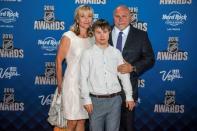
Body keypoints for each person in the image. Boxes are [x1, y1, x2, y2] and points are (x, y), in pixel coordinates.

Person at [80, 19, 135, 131]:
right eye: (98, 32)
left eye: (105, 32)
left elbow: (124, 75)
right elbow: (83, 78)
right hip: (95, 101)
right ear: (93, 33)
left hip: (115, 100)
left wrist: (129, 96)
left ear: (109, 32)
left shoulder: (116, 53)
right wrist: (86, 99)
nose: (102, 35)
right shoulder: (87, 54)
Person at [109, 5, 155, 131]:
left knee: (128, 127)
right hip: (104, 91)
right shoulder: (104, 32)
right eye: (117, 16)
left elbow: (150, 59)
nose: (120, 19)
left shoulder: (141, 35)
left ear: (131, 17)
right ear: (113, 18)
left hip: (128, 91)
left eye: (124, 16)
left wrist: (133, 67)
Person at [55, 5, 94, 131]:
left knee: (82, 120)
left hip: (87, 86)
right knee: (71, 121)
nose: (86, 19)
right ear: (77, 19)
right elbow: (59, 61)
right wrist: (60, 84)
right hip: (71, 85)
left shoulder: (93, 38)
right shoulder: (68, 36)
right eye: (82, 16)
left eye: (89, 16)